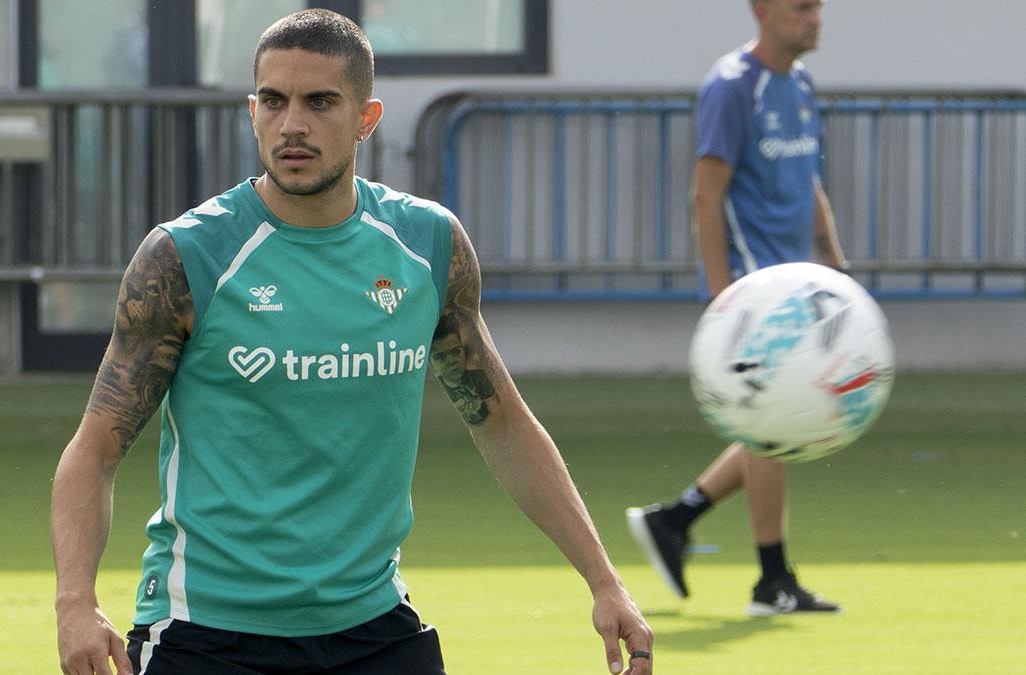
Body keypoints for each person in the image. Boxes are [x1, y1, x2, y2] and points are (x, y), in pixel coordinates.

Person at [51, 9, 653, 675]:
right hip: (208, 633)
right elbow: (97, 446)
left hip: (373, 628)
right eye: (274, 102)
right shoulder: (187, 256)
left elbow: (504, 423)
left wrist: (605, 581)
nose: (293, 125)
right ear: (253, 111)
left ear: (366, 118)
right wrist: (75, 600)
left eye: (320, 102)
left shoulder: (427, 245)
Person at [626, 0, 848, 617]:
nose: (816, 18)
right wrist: (724, 298)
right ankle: (771, 582)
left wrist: (833, 257)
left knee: (773, 425)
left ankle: (676, 518)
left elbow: (808, 180)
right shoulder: (731, 88)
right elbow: (706, 194)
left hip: (797, 287)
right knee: (774, 426)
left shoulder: (799, 84)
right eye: (802, 8)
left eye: (818, 7)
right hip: (754, 293)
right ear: (762, 10)